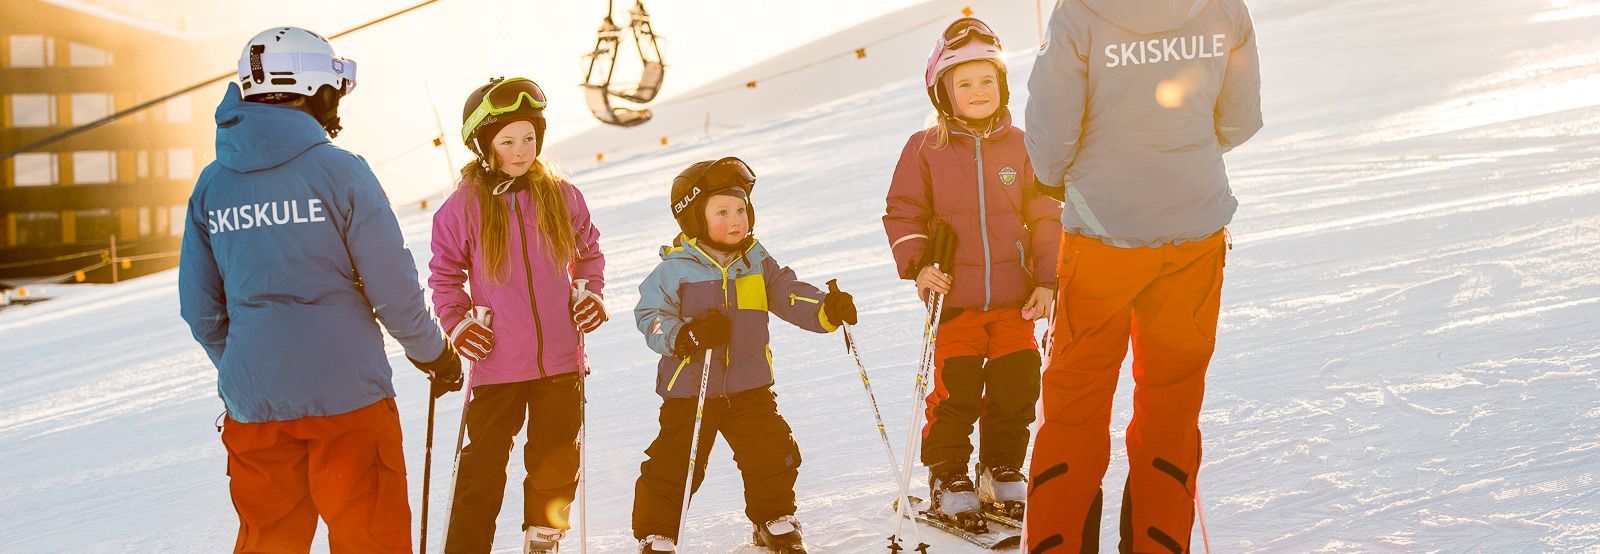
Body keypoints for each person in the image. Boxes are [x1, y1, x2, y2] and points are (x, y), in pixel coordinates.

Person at [178, 26, 460, 553]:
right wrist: (434, 354)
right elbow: (392, 289)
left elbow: (200, 310)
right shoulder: (341, 172)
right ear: (309, 87)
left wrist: (249, 367)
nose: (337, 104)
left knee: (269, 542)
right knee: (369, 539)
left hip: (255, 405)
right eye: (333, 89)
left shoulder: (212, 185)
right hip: (348, 399)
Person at [1023, 0, 1263, 550]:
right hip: (1194, 232)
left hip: (1100, 236)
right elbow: (1239, 119)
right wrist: (1179, 155)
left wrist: (1070, 175)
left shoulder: (1078, 13)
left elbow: (1051, 139)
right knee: (1171, 403)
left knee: (1076, 401)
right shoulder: (1224, 7)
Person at [882, 16, 1063, 529]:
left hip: (1014, 300)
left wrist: (1046, 280)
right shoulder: (925, 148)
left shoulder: (1023, 145)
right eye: (965, 83)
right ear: (943, 92)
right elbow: (903, 213)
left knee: (1016, 388)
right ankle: (948, 475)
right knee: (955, 393)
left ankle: (1000, 467)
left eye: (987, 79)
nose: (978, 91)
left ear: (1002, 84)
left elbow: (1046, 215)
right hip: (955, 300)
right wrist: (919, 267)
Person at [630, 158, 858, 553]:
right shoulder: (673, 270)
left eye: (741, 210)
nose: (736, 220)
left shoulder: (756, 262)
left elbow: (788, 294)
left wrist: (826, 308)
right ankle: (658, 533)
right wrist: (685, 335)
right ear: (693, 219)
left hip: (749, 384)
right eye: (722, 212)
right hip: (690, 390)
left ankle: (774, 518)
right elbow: (650, 318)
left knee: (771, 451)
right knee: (676, 462)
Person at [427, 76, 608, 554]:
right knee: (484, 463)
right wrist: (458, 324)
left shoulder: (561, 195)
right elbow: (444, 276)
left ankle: (543, 536)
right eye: (507, 141)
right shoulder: (463, 207)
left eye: (529, 137)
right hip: (498, 360)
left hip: (561, 356)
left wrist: (589, 294)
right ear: (484, 145)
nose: (522, 150)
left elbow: (588, 253)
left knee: (556, 456)